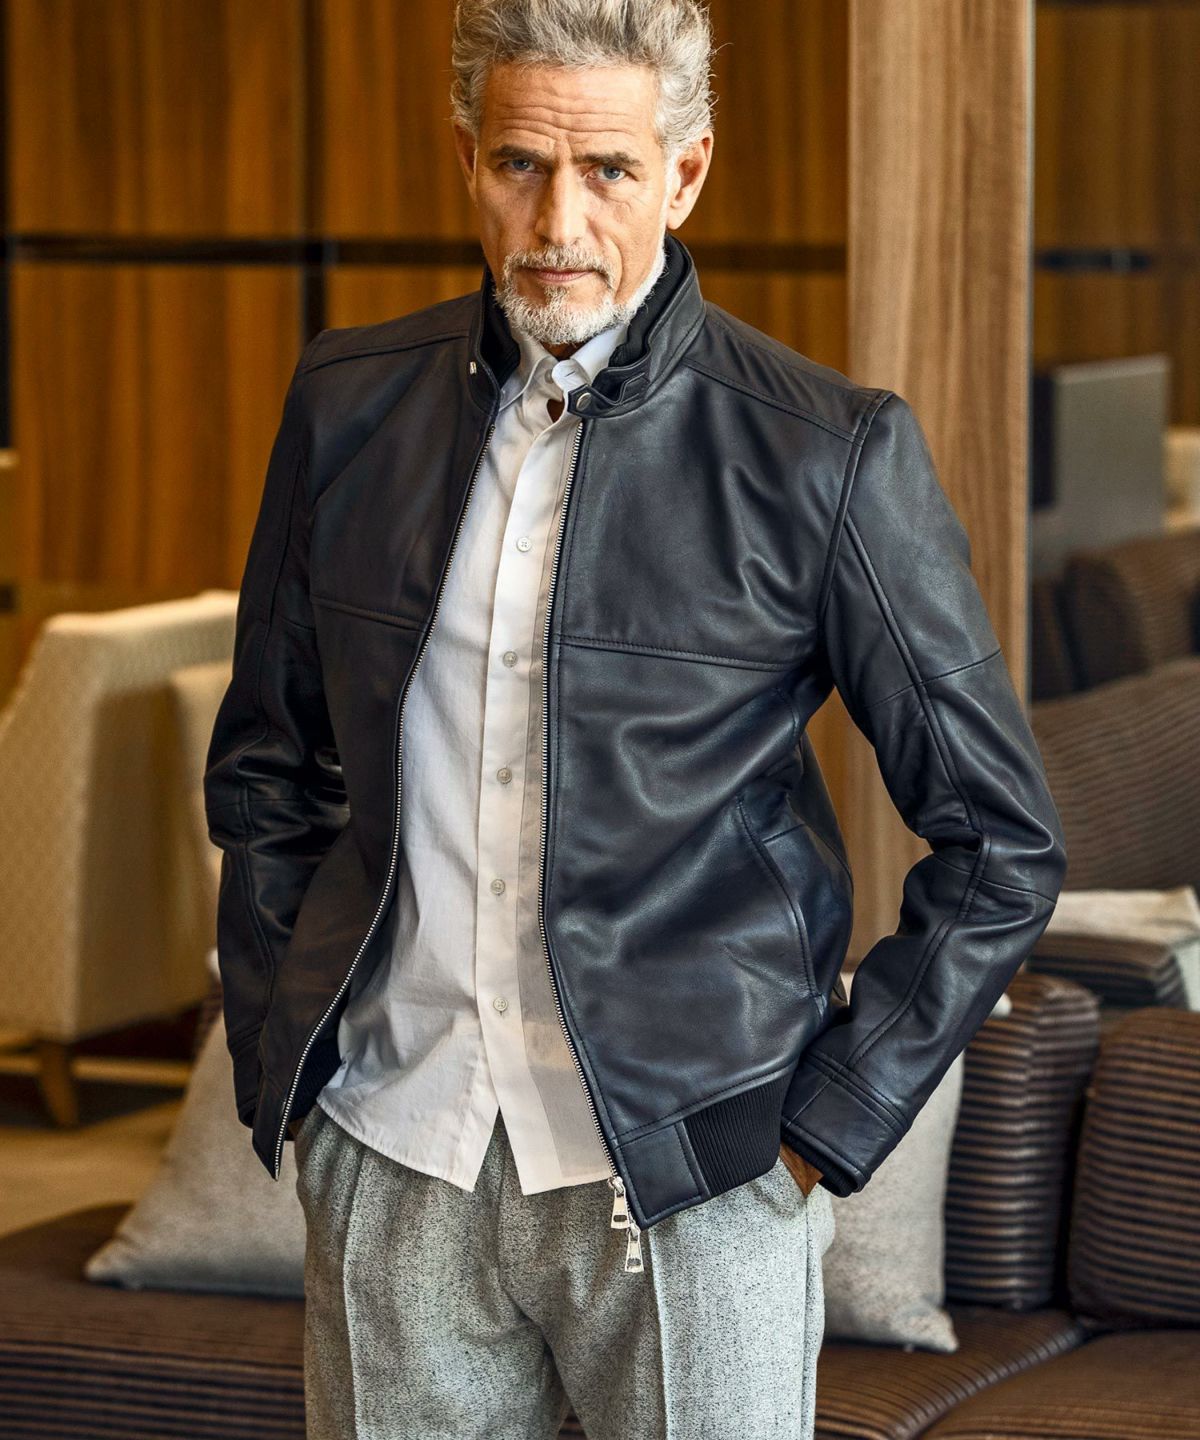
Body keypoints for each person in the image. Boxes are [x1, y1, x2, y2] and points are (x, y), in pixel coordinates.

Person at [203, 1, 1068, 1436]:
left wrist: (819, 1132)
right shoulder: (348, 405)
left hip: (695, 1177)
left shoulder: (824, 451)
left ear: (686, 172)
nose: (559, 221)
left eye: (608, 168)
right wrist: (285, 1069)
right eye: (520, 166)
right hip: (396, 1146)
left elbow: (1002, 842)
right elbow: (269, 769)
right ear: (467, 158)